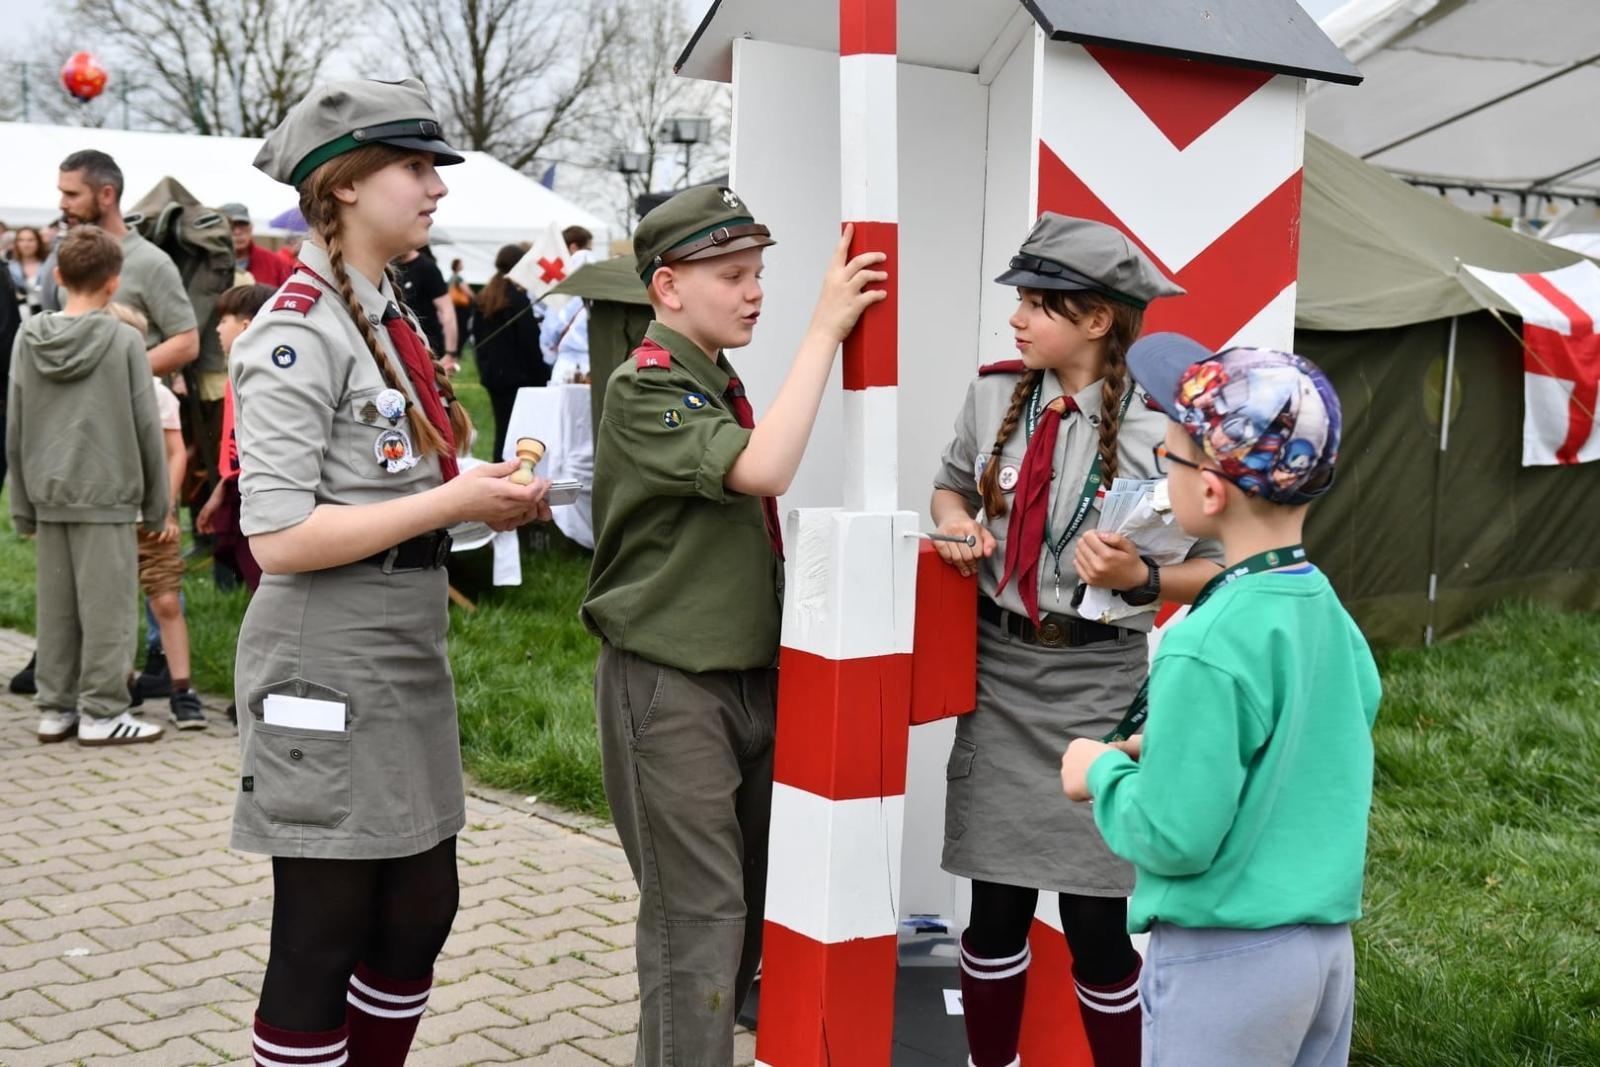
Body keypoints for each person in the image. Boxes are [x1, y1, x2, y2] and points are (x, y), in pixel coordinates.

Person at [232, 78, 552, 1067]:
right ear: (346, 184)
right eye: (415, 167)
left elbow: (396, 476)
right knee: (321, 934)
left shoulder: (381, 311)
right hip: (322, 655)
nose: (435, 188)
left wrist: (474, 482)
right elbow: (278, 536)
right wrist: (458, 502)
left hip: (400, 640)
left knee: (420, 909)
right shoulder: (298, 328)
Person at [584, 185, 888, 1063]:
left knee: (745, 916)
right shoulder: (646, 387)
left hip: (751, 681)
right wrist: (825, 331)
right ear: (668, 287)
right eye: (731, 274)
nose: (754, 291)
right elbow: (765, 467)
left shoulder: (711, 377)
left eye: (758, 272)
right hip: (673, 683)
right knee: (697, 929)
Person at [928, 214, 1225, 1067]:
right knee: (995, 909)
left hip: (1098, 679)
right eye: (1019, 301)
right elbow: (951, 488)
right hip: (997, 672)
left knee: (1097, 920)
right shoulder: (994, 394)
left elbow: (1214, 568)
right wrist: (957, 530)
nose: (1017, 319)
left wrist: (1141, 580)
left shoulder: (1161, 428)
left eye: (1038, 304)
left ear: (1097, 320)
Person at [1061, 334, 1380, 1067]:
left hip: (1226, 960)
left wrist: (1100, 773)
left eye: (1166, 457)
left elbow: (1176, 835)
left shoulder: (1207, 639)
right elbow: (1323, 730)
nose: (1159, 469)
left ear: (1208, 490)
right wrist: (1175, 746)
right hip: (1323, 950)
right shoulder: (1321, 602)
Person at [7, 226, 169, 746]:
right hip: (108, 492)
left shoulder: (26, 336)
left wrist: (22, 506)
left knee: (55, 608)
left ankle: (55, 708)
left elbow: (16, 422)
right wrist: (157, 504)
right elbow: (147, 424)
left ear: (57, 277)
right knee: (108, 610)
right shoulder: (124, 339)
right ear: (113, 284)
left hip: (47, 489)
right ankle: (102, 713)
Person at [104, 302, 204, 729]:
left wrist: (164, 509)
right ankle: (118, 685)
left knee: (165, 599)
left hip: (151, 517)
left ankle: (183, 689)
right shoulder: (92, 393)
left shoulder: (156, 392)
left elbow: (175, 453)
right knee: (111, 604)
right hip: (105, 518)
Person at [196, 283, 275, 597]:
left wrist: (229, 486)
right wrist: (222, 486)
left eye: (223, 320)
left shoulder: (261, 375)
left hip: (255, 489)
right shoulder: (236, 372)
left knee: (265, 578)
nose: (217, 329)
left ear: (246, 326)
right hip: (237, 485)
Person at [473, 244, 548, 461]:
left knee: (502, 428)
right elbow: (529, 341)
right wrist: (542, 374)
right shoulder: (517, 299)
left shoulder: (485, 296)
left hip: (494, 376)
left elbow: (477, 340)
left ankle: (499, 466)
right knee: (518, 431)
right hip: (519, 378)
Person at [394, 244, 456, 373]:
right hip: (399, 347)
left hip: (429, 348)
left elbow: (447, 310)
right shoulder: (388, 267)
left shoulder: (427, 267)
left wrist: (450, 353)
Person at [220, 202, 293, 288]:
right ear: (220, 229)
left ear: (251, 228)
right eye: (231, 226)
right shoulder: (207, 262)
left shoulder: (275, 263)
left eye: (242, 225)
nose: (237, 232)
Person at [8, 226, 50, 316]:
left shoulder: (48, 265)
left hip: (46, 314)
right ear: (16, 243)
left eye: (30, 240)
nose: (26, 244)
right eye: (21, 240)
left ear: (38, 242)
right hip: (19, 317)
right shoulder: (9, 268)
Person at [446, 256, 472, 352]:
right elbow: (467, 291)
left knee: (456, 328)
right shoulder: (458, 278)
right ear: (457, 266)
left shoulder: (451, 278)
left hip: (454, 307)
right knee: (463, 329)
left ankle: (454, 349)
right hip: (461, 307)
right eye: (461, 264)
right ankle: (459, 350)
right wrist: (476, 298)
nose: (462, 265)